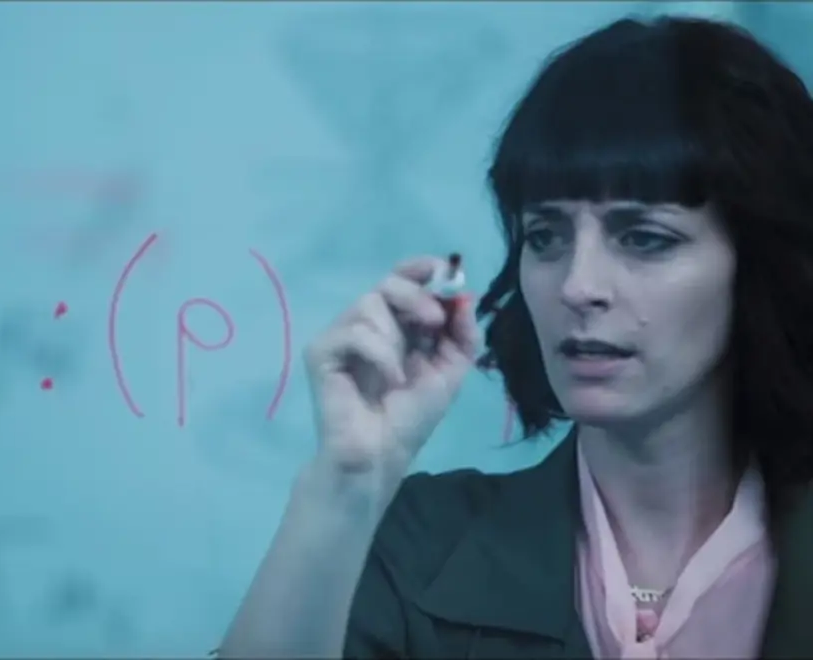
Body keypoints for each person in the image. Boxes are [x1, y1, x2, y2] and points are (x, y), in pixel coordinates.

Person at [218, 14, 813, 659]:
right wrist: (346, 480)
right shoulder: (425, 543)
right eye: (546, 237)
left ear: (758, 262)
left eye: (644, 238)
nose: (578, 286)